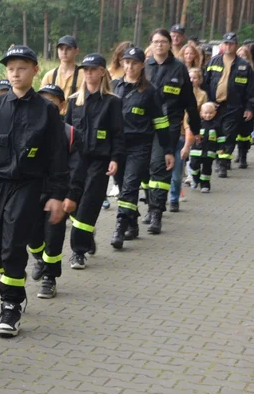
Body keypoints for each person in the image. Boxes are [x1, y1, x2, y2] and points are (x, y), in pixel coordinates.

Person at [0, 45, 67, 335]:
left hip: (29, 185)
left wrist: (57, 195)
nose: (15, 73)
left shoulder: (47, 111)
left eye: (21, 67)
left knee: (13, 242)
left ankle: (11, 306)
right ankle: (12, 281)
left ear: (34, 70)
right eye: (10, 68)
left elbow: (58, 156)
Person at [27, 84, 86, 299]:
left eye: (52, 102)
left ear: (61, 106)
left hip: (58, 196)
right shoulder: (30, 129)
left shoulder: (70, 134)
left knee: (53, 238)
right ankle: (40, 259)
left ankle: (49, 278)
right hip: (31, 193)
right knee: (31, 237)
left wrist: (71, 195)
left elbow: (77, 169)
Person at [110, 46, 173, 249]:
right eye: (126, 62)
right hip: (117, 146)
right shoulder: (114, 86)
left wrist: (167, 149)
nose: (130, 66)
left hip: (140, 146)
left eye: (134, 63)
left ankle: (119, 227)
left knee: (130, 186)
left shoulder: (150, 91)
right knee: (121, 186)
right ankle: (132, 222)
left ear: (141, 65)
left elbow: (161, 122)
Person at [65, 54, 123, 270]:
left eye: (92, 69)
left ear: (102, 72)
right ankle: (87, 236)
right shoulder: (73, 101)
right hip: (75, 162)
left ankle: (78, 252)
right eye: (85, 70)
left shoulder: (112, 102)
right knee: (74, 204)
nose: (88, 73)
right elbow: (66, 132)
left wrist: (115, 158)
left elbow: (117, 133)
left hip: (99, 161)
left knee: (89, 204)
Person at [143, 29, 200, 227]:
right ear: (150, 44)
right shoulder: (144, 66)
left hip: (170, 124)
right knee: (146, 169)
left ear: (169, 44)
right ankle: (150, 206)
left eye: (163, 41)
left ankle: (157, 211)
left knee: (160, 165)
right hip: (144, 124)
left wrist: (196, 126)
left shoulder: (179, 68)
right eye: (156, 41)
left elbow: (189, 101)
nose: (159, 45)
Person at [202, 32, 254, 177]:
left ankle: (223, 164)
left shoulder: (244, 66)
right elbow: (205, 83)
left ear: (236, 45)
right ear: (222, 45)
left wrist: (250, 108)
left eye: (231, 43)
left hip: (233, 107)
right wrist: (207, 102)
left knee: (228, 135)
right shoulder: (213, 62)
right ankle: (217, 159)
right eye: (226, 43)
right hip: (215, 106)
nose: (228, 46)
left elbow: (251, 90)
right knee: (215, 134)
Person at [40, 35, 84, 102]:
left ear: (76, 51)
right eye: (61, 49)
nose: (64, 52)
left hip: (76, 112)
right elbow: (42, 100)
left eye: (68, 48)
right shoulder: (49, 76)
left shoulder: (84, 75)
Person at [188, 102, 220, 194]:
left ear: (214, 113)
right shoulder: (197, 124)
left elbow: (221, 137)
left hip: (209, 151)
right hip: (196, 151)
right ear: (201, 113)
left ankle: (205, 185)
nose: (208, 115)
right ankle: (195, 178)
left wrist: (221, 148)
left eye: (210, 113)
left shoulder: (216, 125)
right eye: (206, 113)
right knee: (193, 166)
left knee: (206, 169)